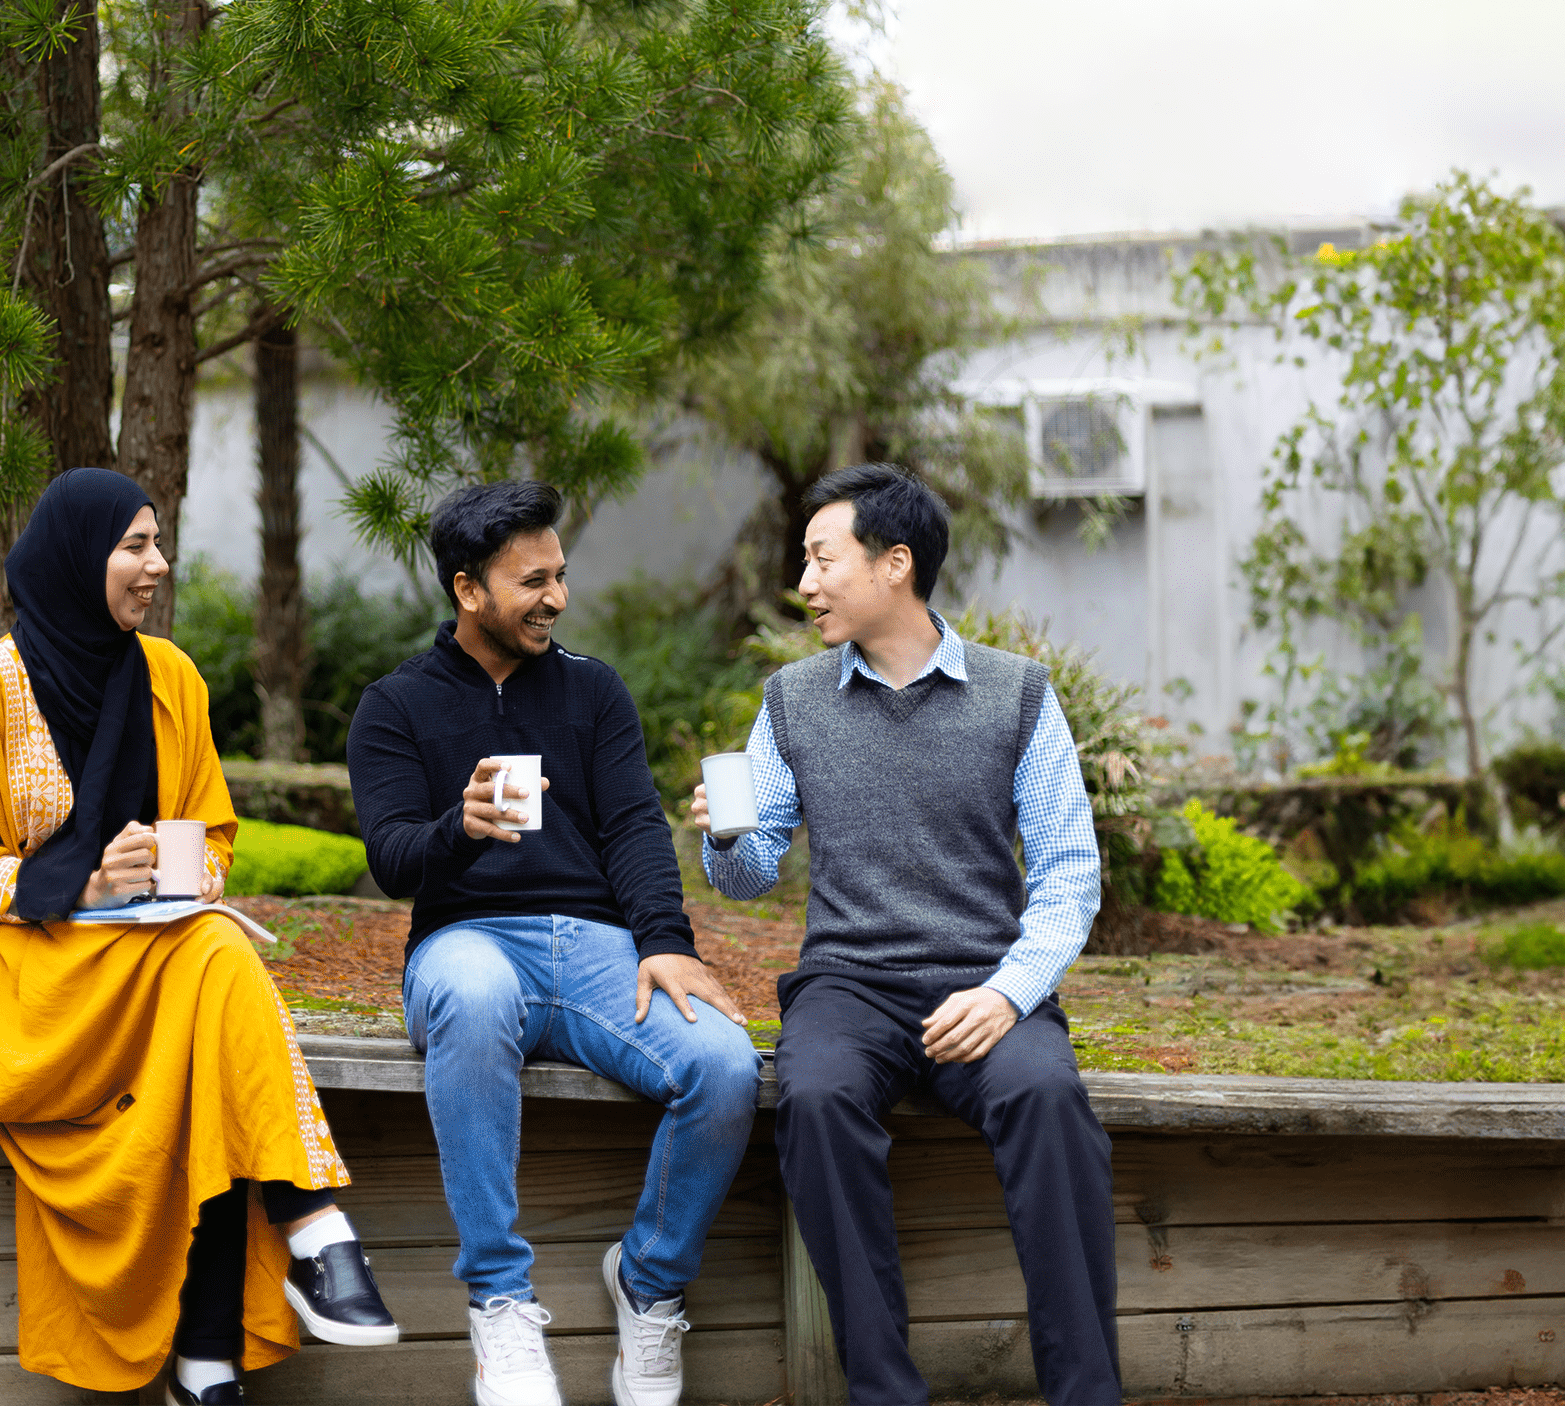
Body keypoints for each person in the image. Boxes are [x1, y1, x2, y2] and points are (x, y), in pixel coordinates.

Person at [0, 468, 403, 1404]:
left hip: (152, 954)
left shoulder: (172, 679)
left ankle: (213, 1354)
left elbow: (211, 834)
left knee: (208, 968)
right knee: (211, 964)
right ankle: (308, 1240)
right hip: (30, 967)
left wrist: (180, 879)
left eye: (157, 543)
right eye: (134, 546)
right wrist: (83, 879)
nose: (157, 565)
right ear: (81, 558)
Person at [693, 463, 1119, 1406]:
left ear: (896, 564)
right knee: (814, 1098)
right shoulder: (792, 700)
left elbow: (1068, 876)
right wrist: (726, 836)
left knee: (1050, 1103)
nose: (804, 583)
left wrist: (1008, 992)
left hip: (983, 980)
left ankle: (1088, 1393)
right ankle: (884, 1392)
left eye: (820, 559)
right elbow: (751, 870)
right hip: (848, 984)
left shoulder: (1016, 694)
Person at [349, 482, 760, 1406]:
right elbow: (391, 861)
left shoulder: (592, 691)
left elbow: (634, 831)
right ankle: (499, 1302)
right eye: (532, 580)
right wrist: (459, 827)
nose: (557, 598)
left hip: (598, 948)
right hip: (464, 944)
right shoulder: (396, 706)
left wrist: (665, 940)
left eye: (561, 575)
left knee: (726, 1067)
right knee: (478, 996)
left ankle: (648, 1285)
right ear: (468, 589)